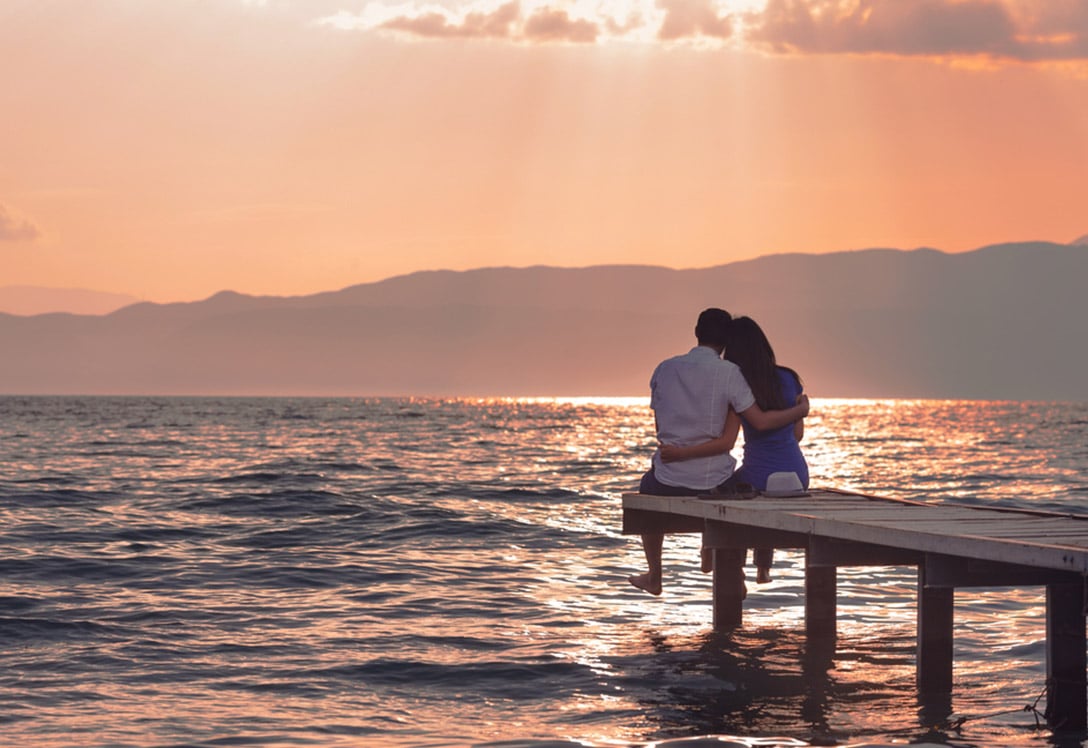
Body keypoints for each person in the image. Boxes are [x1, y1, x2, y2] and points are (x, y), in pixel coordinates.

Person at [629, 309, 809, 596]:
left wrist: (680, 453)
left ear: (696, 332)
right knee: (742, 490)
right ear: (725, 341)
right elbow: (753, 431)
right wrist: (800, 410)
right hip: (718, 482)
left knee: (646, 489)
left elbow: (661, 428)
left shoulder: (664, 369)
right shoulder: (734, 375)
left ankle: (655, 574)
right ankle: (731, 563)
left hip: (668, 479)